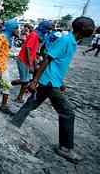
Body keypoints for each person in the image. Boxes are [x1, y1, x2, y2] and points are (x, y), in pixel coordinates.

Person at [11, 17, 95, 163]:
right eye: (90, 26)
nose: (93, 29)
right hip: (49, 82)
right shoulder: (66, 40)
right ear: (82, 28)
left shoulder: (73, 42)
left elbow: (59, 64)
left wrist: (61, 81)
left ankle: (14, 123)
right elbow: (47, 59)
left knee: (32, 103)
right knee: (68, 113)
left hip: (52, 81)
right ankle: (65, 148)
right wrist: (35, 80)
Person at [11, 24, 39, 103]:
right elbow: (27, 48)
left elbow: (32, 51)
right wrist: (30, 65)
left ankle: (8, 86)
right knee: (25, 81)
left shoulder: (33, 35)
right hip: (23, 60)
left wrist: (34, 62)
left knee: (25, 80)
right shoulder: (34, 36)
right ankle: (18, 97)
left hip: (25, 60)